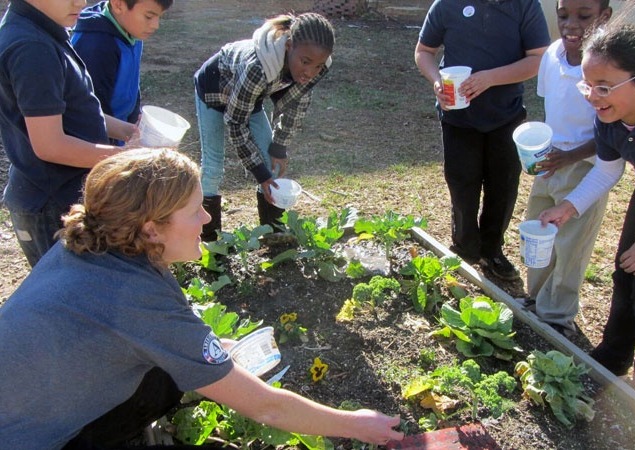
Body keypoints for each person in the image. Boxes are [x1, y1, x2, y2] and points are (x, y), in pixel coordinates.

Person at [0, 148, 404, 449]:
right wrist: (357, 424)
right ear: (152, 229)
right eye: (195, 211)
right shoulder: (135, 300)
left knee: (172, 372)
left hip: (20, 408)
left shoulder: (89, 242)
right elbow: (267, 409)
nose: (207, 219)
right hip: (33, 440)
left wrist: (210, 348)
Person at [539, 23, 635, 403]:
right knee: (625, 274)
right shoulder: (609, 115)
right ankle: (612, 359)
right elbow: (608, 169)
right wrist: (568, 206)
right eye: (587, 85)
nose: (592, 97)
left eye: (604, 86)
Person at [414, 0, 550, 281]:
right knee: (462, 183)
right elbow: (424, 51)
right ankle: (464, 248)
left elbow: (537, 58)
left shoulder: (525, 5)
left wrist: (490, 78)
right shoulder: (447, 5)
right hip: (458, 117)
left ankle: (492, 251)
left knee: (503, 187)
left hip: (505, 115)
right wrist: (437, 80)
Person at [0, 0, 137, 267]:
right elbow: (50, 145)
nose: (81, 2)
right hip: (50, 203)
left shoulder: (44, 29)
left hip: (56, 192)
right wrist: (124, 158)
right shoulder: (32, 48)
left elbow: (72, 110)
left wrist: (127, 130)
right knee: (67, 300)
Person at [194, 12, 334, 241]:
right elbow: (236, 122)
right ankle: (210, 241)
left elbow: (296, 105)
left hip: (249, 97)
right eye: (305, 62)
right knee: (213, 166)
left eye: (317, 66)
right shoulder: (258, 67)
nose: (310, 72)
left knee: (273, 164)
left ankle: (273, 232)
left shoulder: (317, 67)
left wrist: (279, 148)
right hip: (212, 91)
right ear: (289, 46)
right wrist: (260, 174)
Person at [522, 0, 612, 338]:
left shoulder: (607, 67)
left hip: (587, 168)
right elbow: (551, 106)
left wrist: (570, 156)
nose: (571, 25)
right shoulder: (552, 55)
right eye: (563, 16)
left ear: (605, 17)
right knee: (538, 230)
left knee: (570, 243)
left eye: (584, 16)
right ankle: (536, 298)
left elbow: (610, 134)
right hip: (549, 162)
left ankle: (557, 315)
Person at [71, 0, 174, 143]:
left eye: (159, 16)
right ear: (118, 5)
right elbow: (90, 114)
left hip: (121, 135)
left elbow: (131, 84)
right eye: (149, 17)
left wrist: (136, 121)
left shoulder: (131, 30)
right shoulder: (95, 46)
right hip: (99, 143)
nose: (156, 25)